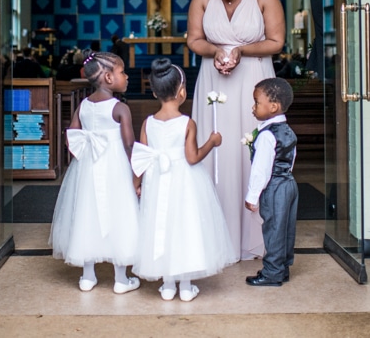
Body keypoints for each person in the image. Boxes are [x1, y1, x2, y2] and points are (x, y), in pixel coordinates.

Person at [187, 0, 285, 260]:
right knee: (216, 152)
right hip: (214, 81)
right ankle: (214, 236)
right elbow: (194, 39)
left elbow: (276, 41)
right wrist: (216, 51)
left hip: (254, 78)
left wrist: (241, 52)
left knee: (251, 153)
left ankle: (254, 239)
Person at [131, 58, 237, 302]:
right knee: (185, 227)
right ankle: (186, 287)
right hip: (185, 183)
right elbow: (192, 158)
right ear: (182, 92)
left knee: (161, 225)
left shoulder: (148, 123)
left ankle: (168, 286)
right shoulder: (187, 123)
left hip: (158, 181)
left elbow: (142, 158)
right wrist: (212, 142)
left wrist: (137, 185)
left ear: (154, 91)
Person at [49, 51, 141, 294]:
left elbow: (72, 136)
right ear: (109, 78)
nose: (127, 76)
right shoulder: (120, 108)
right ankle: (121, 280)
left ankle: (87, 277)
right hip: (116, 170)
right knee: (119, 213)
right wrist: (138, 172)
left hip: (88, 169)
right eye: (123, 72)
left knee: (86, 213)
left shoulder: (83, 105)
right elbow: (129, 144)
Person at [244, 78, 298, 287]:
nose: (253, 107)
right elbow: (291, 159)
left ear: (273, 107)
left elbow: (261, 170)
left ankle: (272, 273)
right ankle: (282, 267)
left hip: (274, 186)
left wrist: (252, 196)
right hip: (289, 184)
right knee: (286, 228)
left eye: (257, 102)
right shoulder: (287, 130)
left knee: (273, 228)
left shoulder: (267, 135)